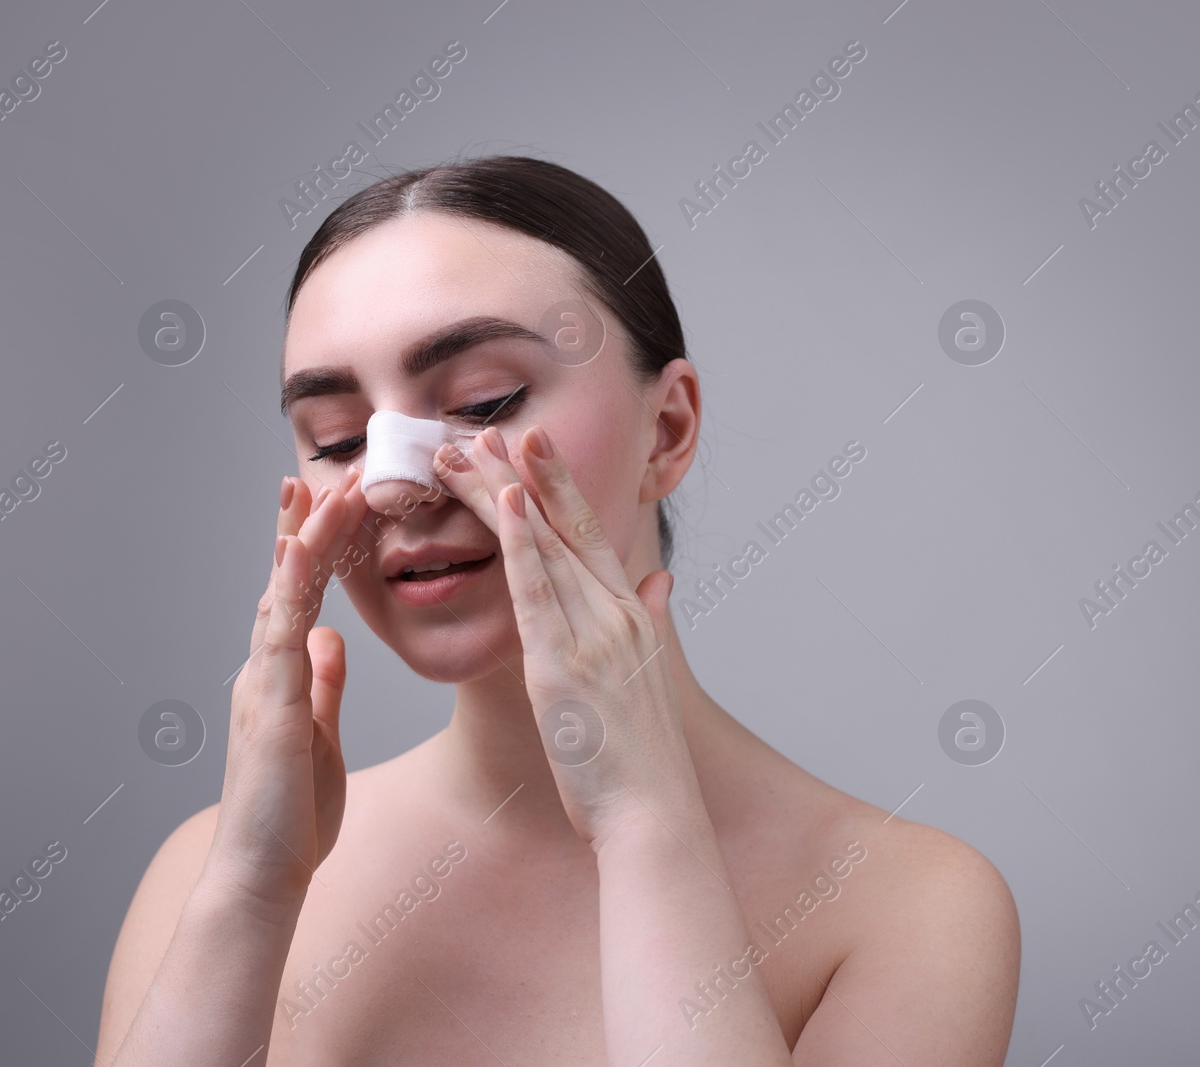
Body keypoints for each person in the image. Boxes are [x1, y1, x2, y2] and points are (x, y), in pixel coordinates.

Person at [93, 155, 1019, 1065]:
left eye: (481, 400)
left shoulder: (909, 903)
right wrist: (251, 897)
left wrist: (646, 826)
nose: (391, 484)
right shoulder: (209, 875)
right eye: (337, 439)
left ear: (669, 430)